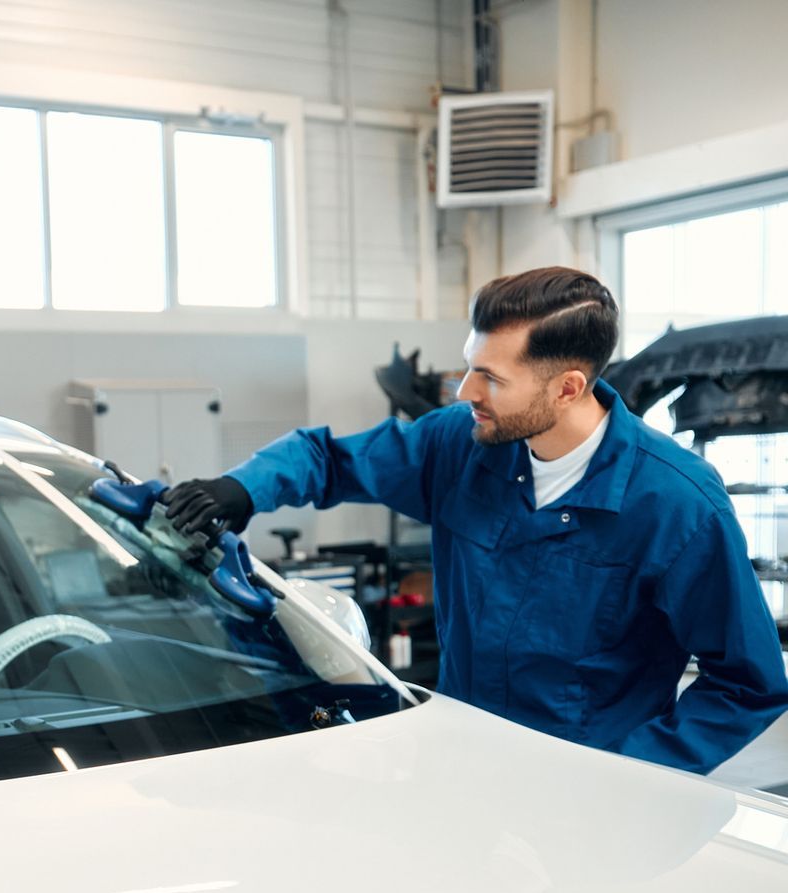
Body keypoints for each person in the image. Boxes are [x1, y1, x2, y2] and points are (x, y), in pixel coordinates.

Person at [163, 265, 788, 774]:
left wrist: (628, 779)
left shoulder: (675, 506)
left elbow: (747, 684)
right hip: (457, 768)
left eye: (491, 377)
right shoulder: (459, 445)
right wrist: (241, 488)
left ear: (567, 388)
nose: (465, 391)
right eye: (470, 365)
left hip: (583, 800)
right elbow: (327, 459)